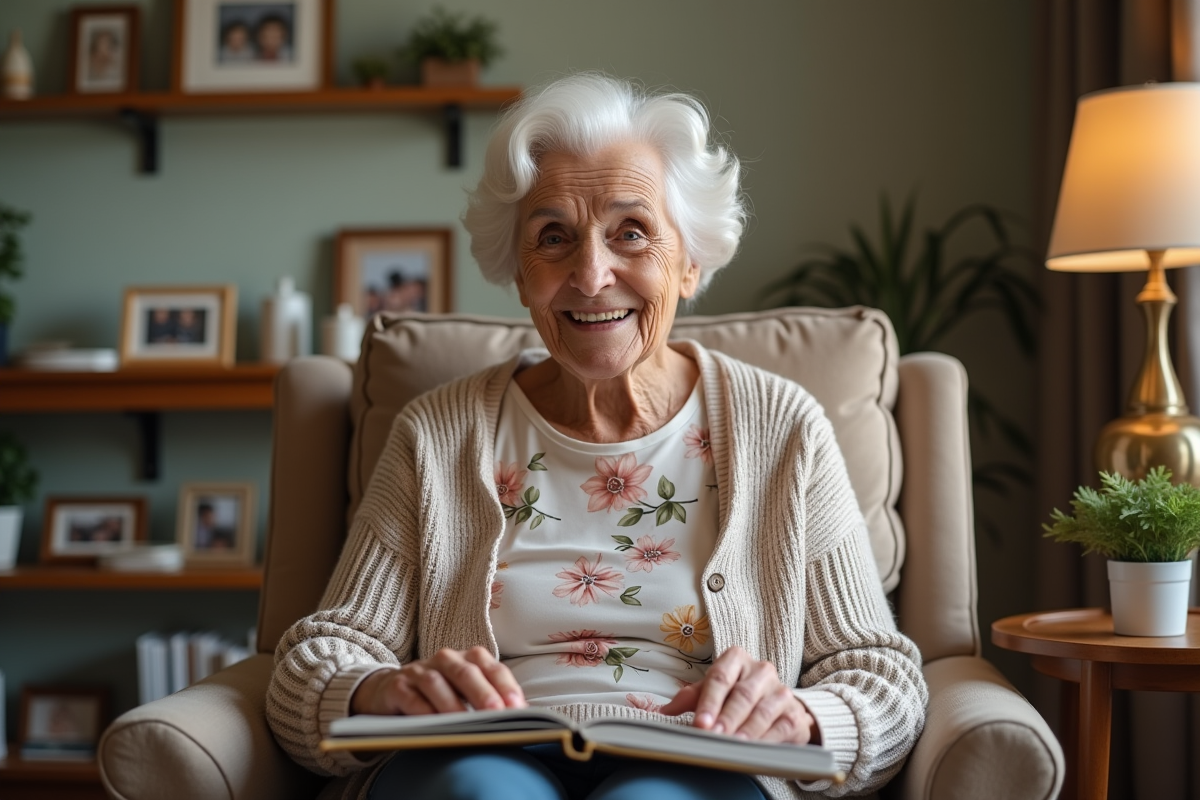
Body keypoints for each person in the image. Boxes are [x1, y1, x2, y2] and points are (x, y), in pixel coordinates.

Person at [266, 74, 926, 800]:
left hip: (695, 761)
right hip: (477, 763)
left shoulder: (785, 428)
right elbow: (313, 662)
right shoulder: (438, 434)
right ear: (519, 272)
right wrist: (380, 690)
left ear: (690, 261)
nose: (590, 273)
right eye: (554, 237)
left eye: (631, 232)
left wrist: (800, 716)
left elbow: (879, 671)